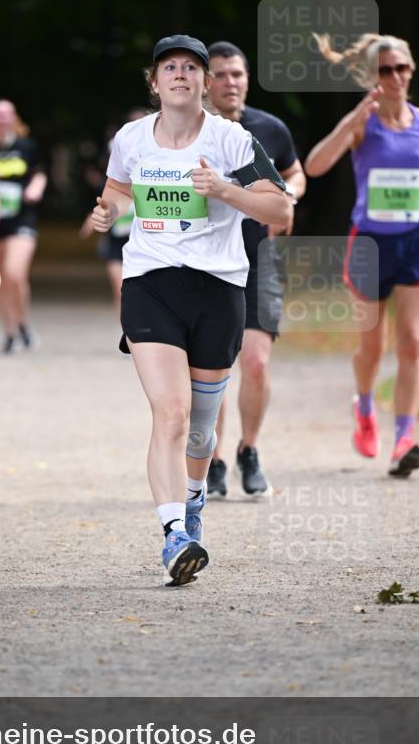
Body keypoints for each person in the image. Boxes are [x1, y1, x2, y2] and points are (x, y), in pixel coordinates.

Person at [91, 35, 291, 585]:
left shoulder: (230, 138)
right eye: (168, 67)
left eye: (191, 68)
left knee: (201, 430)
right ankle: (174, 533)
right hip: (149, 284)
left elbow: (280, 203)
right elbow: (115, 187)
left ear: (205, 82)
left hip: (218, 289)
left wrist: (226, 191)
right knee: (171, 414)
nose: (180, 74)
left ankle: (195, 497)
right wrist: (107, 210)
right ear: (154, 83)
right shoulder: (131, 138)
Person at [305, 33, 419, 476]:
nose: (395, 76)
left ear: (411, 70)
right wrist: (350, 120)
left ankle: (404, 437)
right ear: (373, 76)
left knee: (413, 341)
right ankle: (365, 408)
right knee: (372, 346)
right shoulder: (362, 123)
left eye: (401, 67)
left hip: (417, 243)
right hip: (369, 247)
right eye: (385, 70)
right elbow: (314, 166)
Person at [205, 42, 306, 499]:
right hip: (208, 261)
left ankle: (249, 449)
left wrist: (288, 199)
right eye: (222, 75)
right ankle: (214, 458)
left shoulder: (270, 127)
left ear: (248, 79)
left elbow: (296, 173)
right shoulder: (194, 131)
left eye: (238, 75)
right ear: (207, 82)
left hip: (260, 258)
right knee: (214, 366)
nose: (231, 83)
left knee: (257, 362)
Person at [0, 99, 47, 353]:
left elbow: (40, 173)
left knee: (15, 273)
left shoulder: (26, 146)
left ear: (14, 117)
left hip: (22, 219)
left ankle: (22, 323)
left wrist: (35, 188)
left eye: (6, 114)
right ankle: (10, 332)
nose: (2, 118)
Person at [79, 109, 147, 314]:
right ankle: (128, 334)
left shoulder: (162, 156)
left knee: (145, 293)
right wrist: (95, 218)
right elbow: (107, 192)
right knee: (121, 289)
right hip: (117, 238)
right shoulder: (118, 150)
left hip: (147, 239)